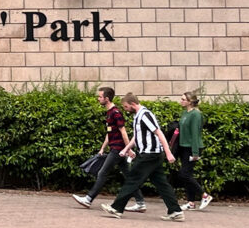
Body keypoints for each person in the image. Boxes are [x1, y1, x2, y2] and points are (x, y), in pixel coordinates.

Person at [100, 93, 184, 221]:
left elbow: (159, 133)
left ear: (133, 104)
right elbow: (137, 136)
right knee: (161, 183)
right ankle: (176, 211)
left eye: (126, 107)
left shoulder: (145, 115)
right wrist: (126, 149)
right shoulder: (138, 116)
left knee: (133, 179)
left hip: (149, 154)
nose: (126, 109)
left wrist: (168, 152)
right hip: (151, 154)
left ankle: (117, 208)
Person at [72, 87, 146, 211]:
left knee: (102, 173)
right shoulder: (109, 112)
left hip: (117, 149)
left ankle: (88, 199)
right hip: (116, 148)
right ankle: (140, 202)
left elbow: (123, 132)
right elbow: (109, 133)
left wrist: (128, 149)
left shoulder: (116, 112)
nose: (98, 98)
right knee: (128, 175)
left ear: (107, 99)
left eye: (100, 96)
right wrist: (102, 148)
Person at [176, 91, 212, 211]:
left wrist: (195, 152)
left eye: (183, 99)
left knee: (184, 174)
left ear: (190, 101)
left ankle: (204, 195)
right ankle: (191, 202)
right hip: (183, 147)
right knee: (187, 175)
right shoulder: (185, 112)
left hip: (191, 147)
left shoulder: (196, 114)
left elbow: (196, 134)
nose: (181, 101)